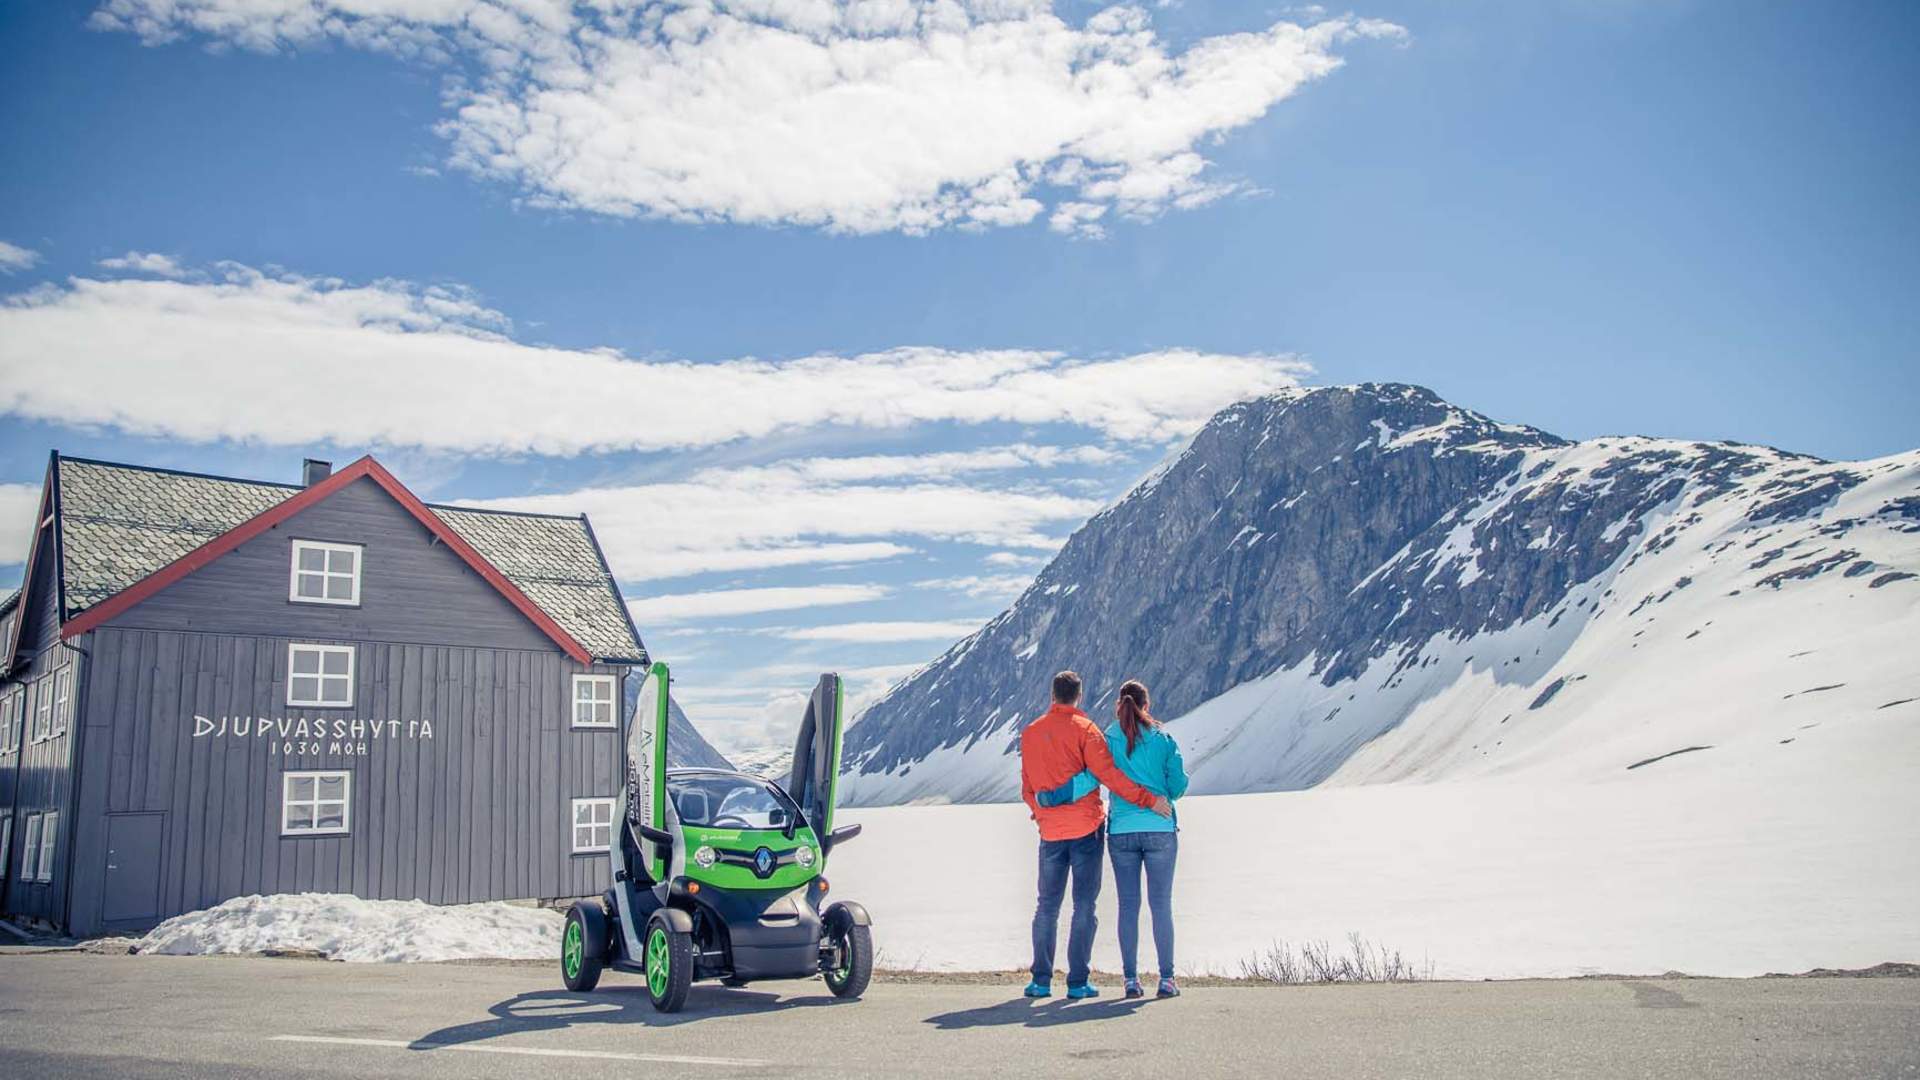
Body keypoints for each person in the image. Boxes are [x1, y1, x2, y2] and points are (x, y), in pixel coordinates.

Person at [1019, 671, 1172, 1000]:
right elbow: (1110, 777)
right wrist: (1149, 800)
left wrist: (1042, 812)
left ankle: (1041, 981)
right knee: (1084, 906)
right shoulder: (1086, 731)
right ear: (1080, 696)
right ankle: (1077, 982)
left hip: (1050, 833)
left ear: (1053, 695)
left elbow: (1027, 787)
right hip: (1086, 830)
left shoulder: (1031, 734)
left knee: (1046, 907)